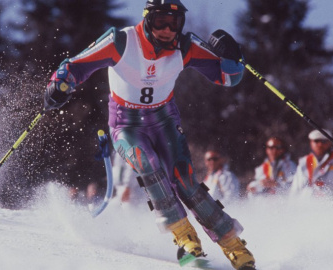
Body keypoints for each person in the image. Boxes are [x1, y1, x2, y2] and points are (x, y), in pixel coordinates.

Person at [43, 1, 255, 269]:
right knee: (147, 164)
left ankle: (233, 245)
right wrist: (59, 84)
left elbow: (228, 77)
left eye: (174, 23)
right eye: (160, 22)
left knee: (185, 180)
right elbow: (76, 65)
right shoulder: (120, 41)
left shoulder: (185, 46)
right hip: (126, 124)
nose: (167, 30)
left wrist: (234, 56)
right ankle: (186, 240)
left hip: (163, 119)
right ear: (147, 19)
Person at [291, 129, 333, 198]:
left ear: (330, 142)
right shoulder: (304, 162)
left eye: (324, 141)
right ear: (311, 142)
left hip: (332, 202)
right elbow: (295, 190)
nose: (320, 144)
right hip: (308, 204)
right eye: (316, 141)